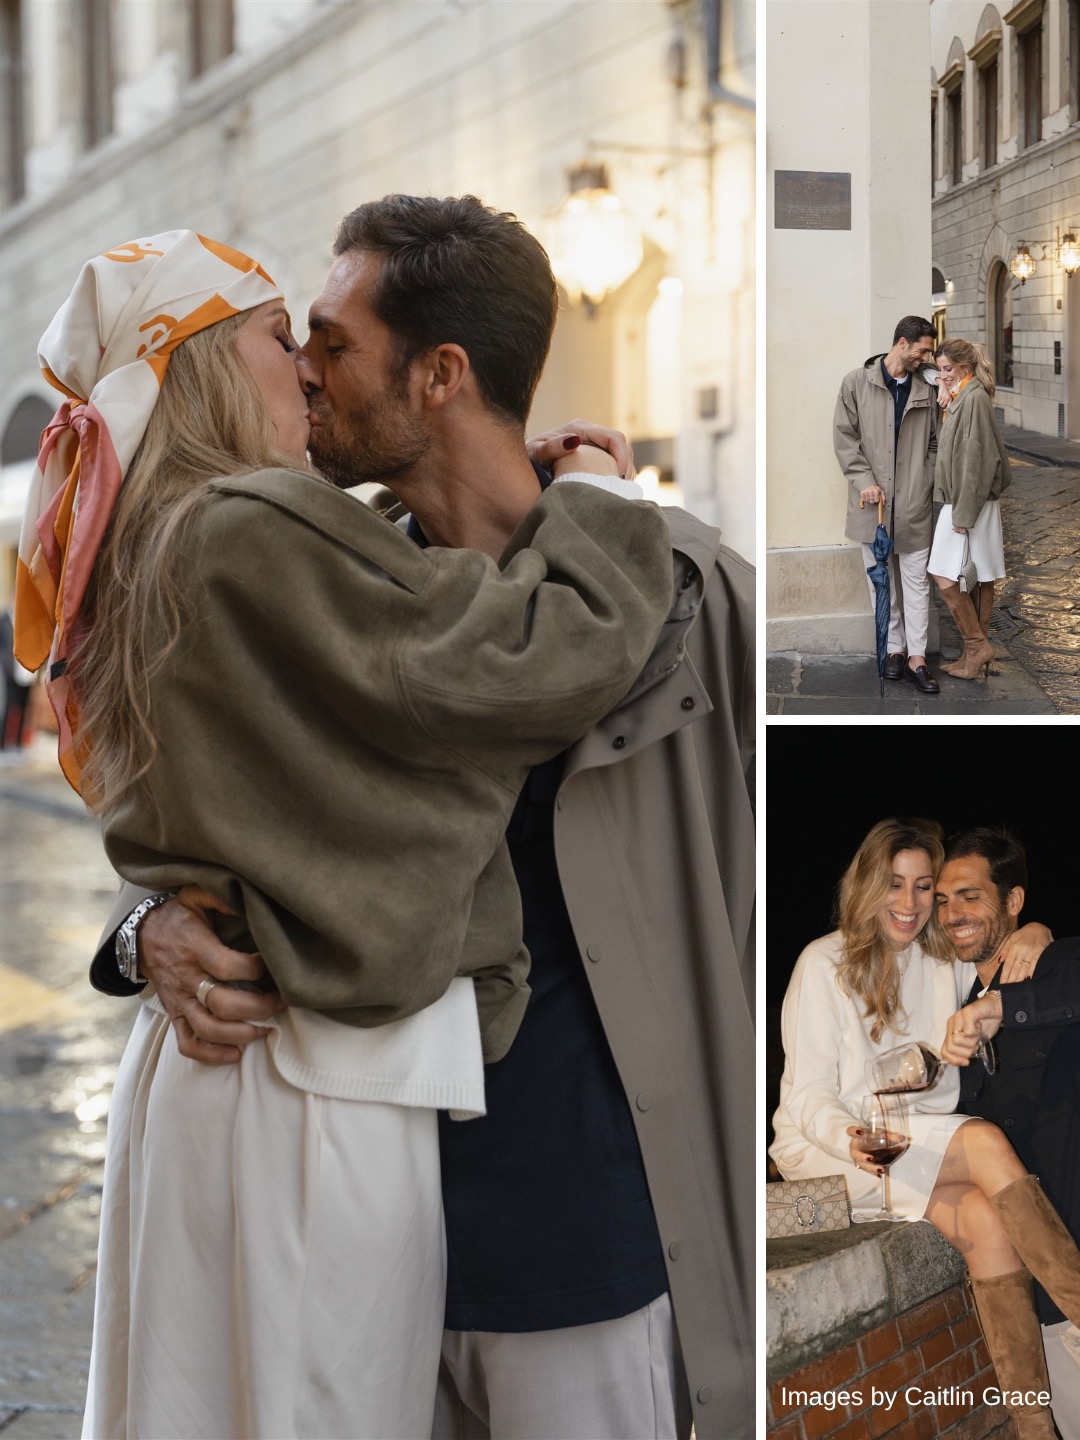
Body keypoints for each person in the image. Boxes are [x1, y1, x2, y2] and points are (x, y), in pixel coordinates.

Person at [86, 197, 755, 1440]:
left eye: (327, 342)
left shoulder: (691, 597)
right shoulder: (323, 572)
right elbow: (201, 804)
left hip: (574, 1246)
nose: (306, 372)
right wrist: (146, 931)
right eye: (291, 343)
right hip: (346, 1210)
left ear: (439, 374)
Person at [770, 816, 1080, 1440]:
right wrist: (849, 1139)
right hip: (837, 1150)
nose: (910, 905)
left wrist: (1035, 931)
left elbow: (1005, 968)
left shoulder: (940, 963)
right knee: (986, 1141)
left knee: (988, 1226)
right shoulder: (823, 962)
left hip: (917, 1143)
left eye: (923, 888)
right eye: (895, 885)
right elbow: (807, 1096)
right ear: (866, 888)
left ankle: (1034, 1428)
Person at [938, 829, 1080, 1438]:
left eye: (970, 896)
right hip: (1047, 1308)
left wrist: (1007, 1007)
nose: (952, 914)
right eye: (942, 900)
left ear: (1014, 900)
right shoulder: (949, 1001)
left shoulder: (1061, 963)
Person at [833, 315, 941, 695]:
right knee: (883, 585)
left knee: (915, 583)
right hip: (872, 507)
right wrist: (864, 481)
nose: (927, 357)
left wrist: (923, 479)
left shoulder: (928, 388)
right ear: (901, 344)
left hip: (914, 503)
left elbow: (935, 443)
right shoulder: (856, 383)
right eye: (923, 349)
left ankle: (918, 658)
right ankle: (895, 649)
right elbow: (845, 438)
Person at [928, 340, 1012, 682]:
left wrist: (963, 514)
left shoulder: (973, 398)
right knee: (977, 578)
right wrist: (944, 392)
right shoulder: (964, 394)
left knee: (944, 574)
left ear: (964, 367)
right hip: (969, 500)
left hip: (967, 502)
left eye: (949, 369)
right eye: (941, 369)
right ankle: (972, 655)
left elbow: (976, 458)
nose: (943, 375)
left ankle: (977, 647)